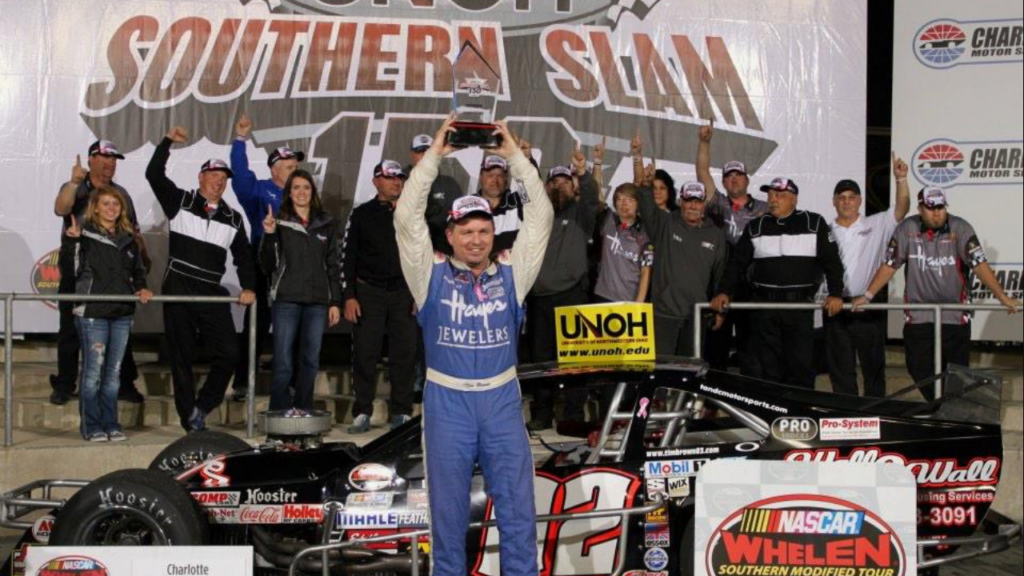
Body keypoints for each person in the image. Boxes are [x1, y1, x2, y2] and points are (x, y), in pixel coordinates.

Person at [394, 115, 552, 576]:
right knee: (447, 517)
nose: (476, 239)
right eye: (466, 231)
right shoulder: (428, 274)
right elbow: (406, 219)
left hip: (501, 400)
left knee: (518, 512)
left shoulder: (513, 272)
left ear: (493, 234)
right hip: (448, 402)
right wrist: (432, 158)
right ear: (450, 235)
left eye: (483, 230)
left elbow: (541, 217)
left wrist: (515, 158)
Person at [853, 187, 1021, 400]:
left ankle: (948, 411)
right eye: (931, 208)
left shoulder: (961, 228)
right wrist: (868, 295)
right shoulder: (907, 228)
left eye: (941, 207)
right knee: (918, 368)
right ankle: (941, 407)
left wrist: (1002, 297)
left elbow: (979, 265)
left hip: (954, 316)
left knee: (956, 374)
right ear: (920, 208)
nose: (937, 213)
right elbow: (889, 265)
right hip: (918, 315)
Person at [146, 126, 257, 432]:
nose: (219, 182)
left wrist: (249, 286)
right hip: (179, 287)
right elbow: (153, 174)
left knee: (230, 352)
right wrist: (167, 141)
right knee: (181, 356)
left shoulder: (233, 218)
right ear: (200, 178)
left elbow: (244, 257)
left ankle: (203, 406)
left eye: (223, 178)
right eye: (213, 176)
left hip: (210, 291)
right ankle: (190, 421)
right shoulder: (180, 201)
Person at [712, 177, 845, 389]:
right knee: (768, 367)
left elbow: (832, 262)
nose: (773, 200)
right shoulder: (756, 226)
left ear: (794, 199)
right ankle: (771, 408)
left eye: (780, 195)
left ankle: (799, 407)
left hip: (799, 307)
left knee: (800, 365)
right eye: (771, 195)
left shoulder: (814, 223)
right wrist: (724, 291)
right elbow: (736, 263)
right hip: (764, 308)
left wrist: (836, 293)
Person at [51, 141, 148, 406]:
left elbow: (132, 231)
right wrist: (73, 182)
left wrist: (143, 258)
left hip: (113, 270)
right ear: (91, 159)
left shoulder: (120, 194)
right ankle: (65, 384)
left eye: (114, 159)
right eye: (104, 158)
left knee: (119, 325)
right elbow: (61, 208)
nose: (110, 163)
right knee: (70, 328)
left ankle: (125, 383)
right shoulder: (76, 187)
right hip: (77, 270)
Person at [61, 189, 153, 442]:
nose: (112, 208)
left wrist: (142, 287)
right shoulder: (83, 235)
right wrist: (72, 242)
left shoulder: (129, 239)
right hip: (93, 313)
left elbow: (138, 271)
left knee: (113, 375)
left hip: (122, 313)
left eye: (116, 204)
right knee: (93, 374)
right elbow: (71, 271)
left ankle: (111, 424)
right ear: (96, 208)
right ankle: (92, 426)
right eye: (106, 203)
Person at [229, 114, 305, 402]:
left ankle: (294, 384)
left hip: (294, 267)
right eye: (289, 167)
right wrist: (240, 140)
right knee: (257, 324)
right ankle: (242, 382)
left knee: (294, 324)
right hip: (263, 264)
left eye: (296, 166)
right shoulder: (259, 191)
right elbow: (240, 175)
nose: (295, 171)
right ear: (274, 169)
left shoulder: (303, 195)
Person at [525, 147, 601, 433]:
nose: (560, 186)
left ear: (573, 186)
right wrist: (526, 161)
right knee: (541, 361)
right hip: (540, 298)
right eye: (554, 181)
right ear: (546, 186)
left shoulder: (582, 214)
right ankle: (543, 413)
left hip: (572, 295)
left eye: (565, 182)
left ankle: (573, 414)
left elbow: (591, 197)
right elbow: (525, 186)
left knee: (575, 360)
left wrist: (583, 171)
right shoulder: (536, 213)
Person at [342, 160, 418, 433]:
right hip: (368, 293)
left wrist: (419, 294)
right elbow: (348, 256)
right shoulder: (362, 213)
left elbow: (422, 255)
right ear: (376, 181)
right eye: (389, 177)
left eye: (399, 178)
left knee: (405, 354)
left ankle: (402, 412)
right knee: (365, 353)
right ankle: (362, 412)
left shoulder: (413, 212)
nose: (396, 182)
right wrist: (349, 296)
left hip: (404, 292)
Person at [825, 155, 911, 397]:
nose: (846, 202)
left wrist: (901, 179)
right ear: (834, 201)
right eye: (841, 197)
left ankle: (874, 415)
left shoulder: (876, 224)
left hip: (867, 305)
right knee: (841, 371)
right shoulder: (824, 230)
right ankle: (846, 415)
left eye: (851, 197)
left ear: (860, 200)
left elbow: (902, 208)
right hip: (836, 306)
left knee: (873, 369)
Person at [259, 170, 342, 411]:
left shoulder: (326, 223)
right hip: (286, 301)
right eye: (296, 187)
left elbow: (333, 266)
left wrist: (335, 302)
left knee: (310, 362)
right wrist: (269, 235)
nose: (301, 192)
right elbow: (267, 264)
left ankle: (303, 411)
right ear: (289, 193)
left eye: (306, 187)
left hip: (317, 303)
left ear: (313, 192)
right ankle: (279, 412)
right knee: (284, 362)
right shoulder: (279, 222)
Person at [695, 121, 768, 372]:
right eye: (729, 176)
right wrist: (704, 143)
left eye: (738, 175)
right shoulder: (718, 204)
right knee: (717, 344)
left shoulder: (764, 208)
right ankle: (714, 391)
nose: (734, 179)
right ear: (724, 183)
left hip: (752, 284)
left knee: (751, 347)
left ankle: (750, 391)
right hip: (722, 281)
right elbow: (702, 172)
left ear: (747, 179)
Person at [639, 180, 728, 357]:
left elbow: (720, 275)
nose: (693, 206)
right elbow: (647, 208)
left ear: (705, 203)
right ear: (680, 201)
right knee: (660, 367)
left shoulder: (716, 235)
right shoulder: (665, 223)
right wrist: (645, 185)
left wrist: (720, 312)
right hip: (663, 314)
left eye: (698, 201)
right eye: (688, 201)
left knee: (689, 368)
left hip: (696, 316)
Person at [593, 183, 654, 304]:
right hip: (602, 295)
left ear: (638, 204)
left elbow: (646, 271)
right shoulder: (608, 219)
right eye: (620, 199)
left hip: (629, 300)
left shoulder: (645, 233)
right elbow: (596, 197)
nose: (624, 204)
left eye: (630, 200)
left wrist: (638, 304)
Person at [408, 134, 463, 253]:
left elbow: (459, 222)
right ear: (411, 154)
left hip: (443, 250)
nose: (425, 156)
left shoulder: (450, 184)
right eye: (420, 151)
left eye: (429, 152)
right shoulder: (400, 182)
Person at [475, 154, 526, 254]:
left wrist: (527, 160)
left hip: (512, 263)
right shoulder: (467, 205)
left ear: (506, 179)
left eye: (500, 176)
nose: (495, 180)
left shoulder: (518, 202)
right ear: (481, 177)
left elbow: (534, 193)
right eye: (490, 175)